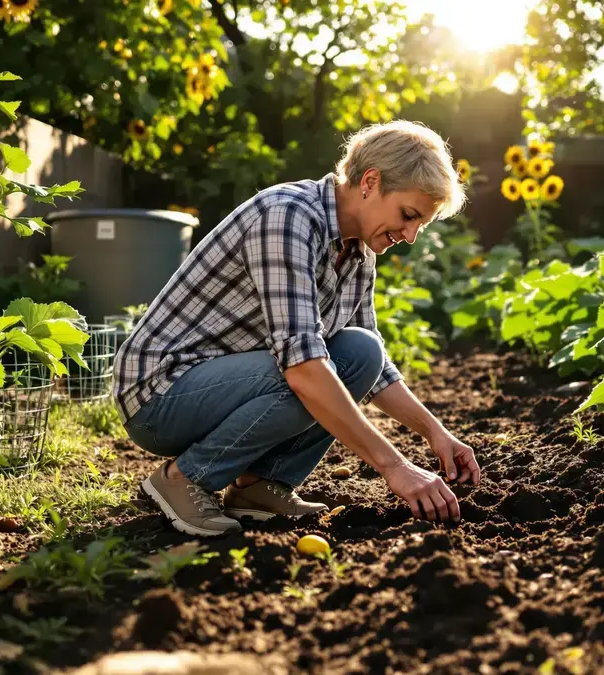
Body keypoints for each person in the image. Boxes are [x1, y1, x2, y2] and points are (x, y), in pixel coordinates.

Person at [111, 120, 482, 537]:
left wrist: (437, 435)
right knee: (309, 372)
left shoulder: (358, 253)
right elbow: (303, 366)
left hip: (225, 383)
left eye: (421, 225)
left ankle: (259, 486)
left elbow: (372, 369)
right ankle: (184, 478)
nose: (411, 236)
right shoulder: (288, 216)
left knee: (361, 353)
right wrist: (395, 467)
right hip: (160, 393)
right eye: (408, 215)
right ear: (370, 182)